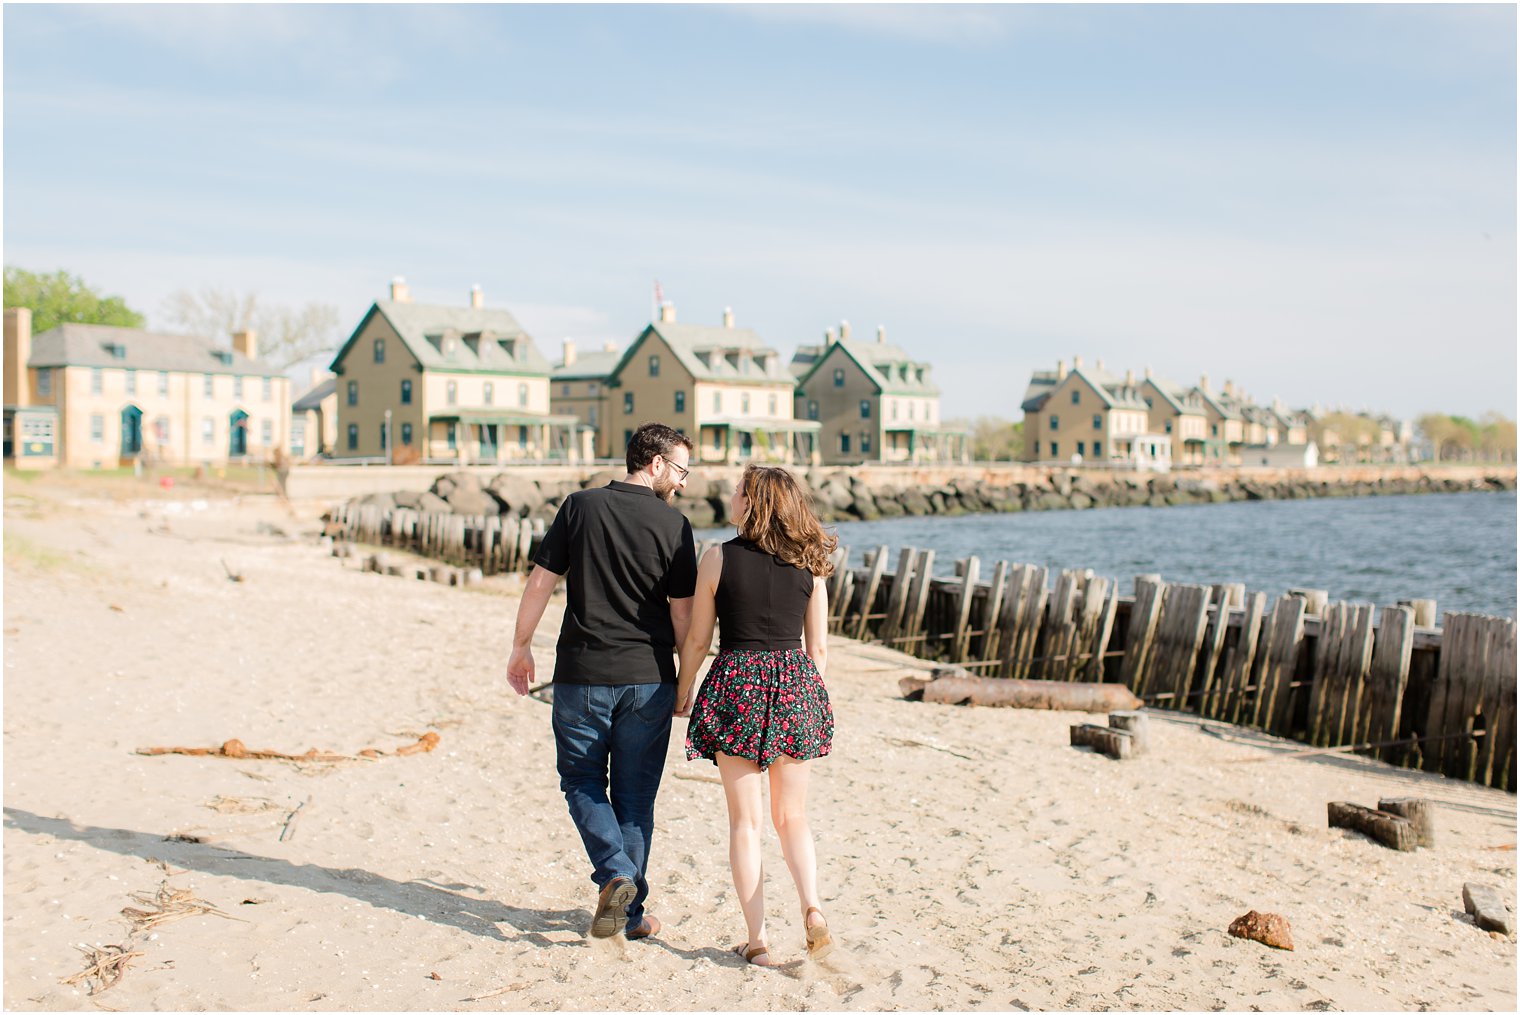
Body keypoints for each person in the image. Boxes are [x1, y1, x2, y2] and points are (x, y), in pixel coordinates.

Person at [507, 422, 696, 941]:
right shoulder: (675, 528)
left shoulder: (580, 506)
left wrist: (521, 646)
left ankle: (615, 876)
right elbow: (683, 617)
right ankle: (629, 908)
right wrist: (687, 680)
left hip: (581, 674)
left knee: (583, 781)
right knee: (635, 800)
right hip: (649, 679)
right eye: (680, 470)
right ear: (654, 463)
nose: (682, 483)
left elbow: (541, 581)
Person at [675, 464, 837, 967]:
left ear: (754, 501)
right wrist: (808, 697)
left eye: (738, 489)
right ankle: (812, 908)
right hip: (794, 684)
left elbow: (699, 640)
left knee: (746, 824)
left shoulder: (717, 558)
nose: (731, 493)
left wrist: (683, 692)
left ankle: (759, 939)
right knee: (793, 818)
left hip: (737, 683)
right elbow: (820, 649)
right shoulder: (811, 564)